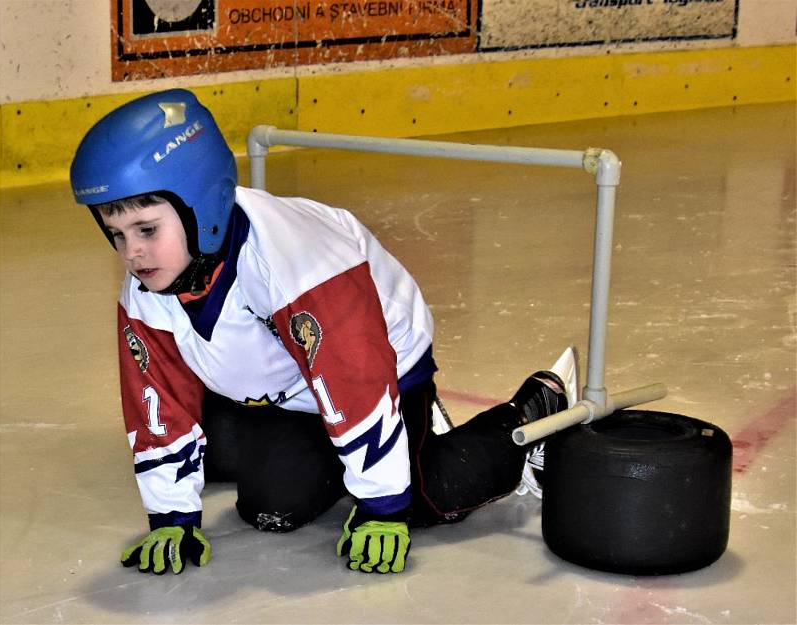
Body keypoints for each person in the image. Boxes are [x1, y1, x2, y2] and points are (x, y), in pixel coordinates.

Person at [69, 88, 578, 576]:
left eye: (147, 230)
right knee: (272, 509)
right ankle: (347, 452)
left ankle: (535, 407)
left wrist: (382, 505)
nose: (131, 252)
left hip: (383, 368)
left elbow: (355, 379)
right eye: (116, 234)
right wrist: (172, 518)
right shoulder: (146, 290)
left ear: (200, 205)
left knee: (426, 496)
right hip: (290, 387)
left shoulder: (300, 267)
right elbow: (157, 401)